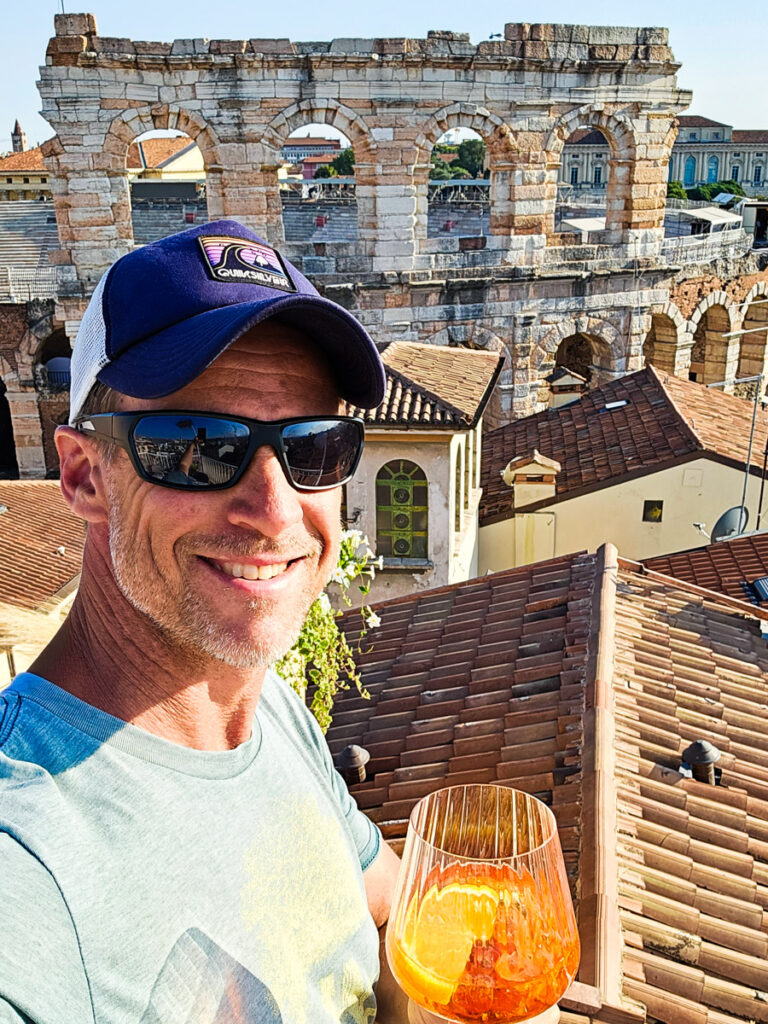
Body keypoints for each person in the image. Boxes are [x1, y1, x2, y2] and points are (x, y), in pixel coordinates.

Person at [0, 221, 405, 1024]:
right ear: (84, 476)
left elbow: (396, 909)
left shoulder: (268, 709)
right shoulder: (27, 858)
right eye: (196, 446)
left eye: (313, 447)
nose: (275, 511)